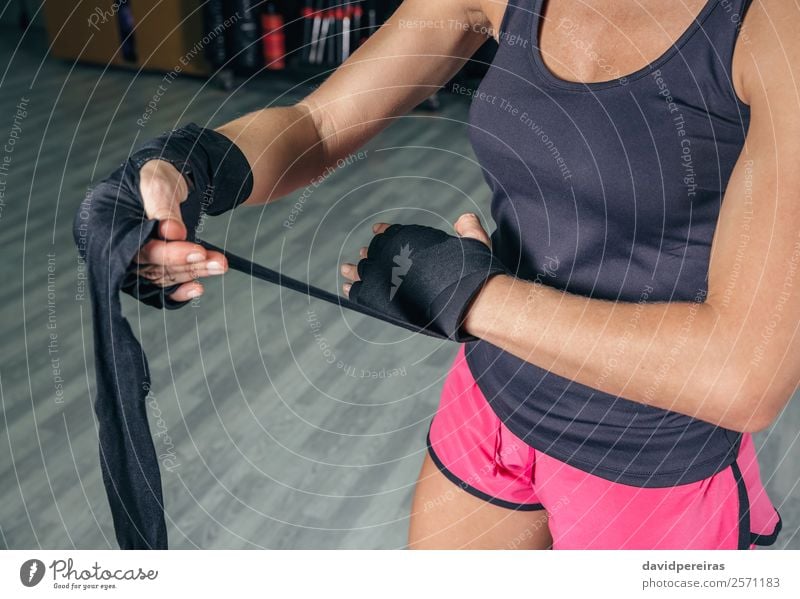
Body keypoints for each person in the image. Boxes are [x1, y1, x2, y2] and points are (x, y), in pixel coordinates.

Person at [130, 0, 796, 549]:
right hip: (493, 402)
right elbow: (318, 122)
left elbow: (743, 375)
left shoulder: (773, 25)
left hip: (649, 458)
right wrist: (187, 167)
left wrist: (472, 295)